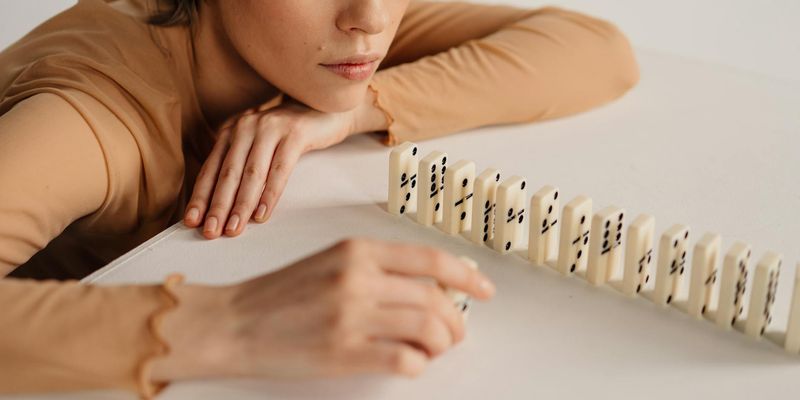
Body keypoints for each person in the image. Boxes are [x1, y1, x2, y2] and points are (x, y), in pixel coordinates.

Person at [0, 0, 639, 397]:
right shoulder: (86, 116)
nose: (371, 19)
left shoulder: (329, 28)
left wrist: (352, 111)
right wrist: (235, 324)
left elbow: (597, 49)